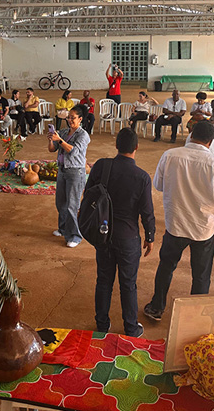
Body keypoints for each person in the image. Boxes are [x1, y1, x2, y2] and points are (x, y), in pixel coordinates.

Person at [143, 122, 214, 321]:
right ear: (210, 142)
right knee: (201, 274)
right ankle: (197, 316)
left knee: (166, 266)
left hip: (176, 224)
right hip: (203, 229)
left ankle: (157, 307)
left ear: (190, 135)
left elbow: (158, 184)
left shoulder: (170, 155)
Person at [86, 128, 155, 338]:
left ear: (116, 145)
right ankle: (131, 327)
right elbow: (147, 211)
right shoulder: (142, 177)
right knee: (128, 283)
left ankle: (102, 323)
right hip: (128, 238)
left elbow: (88, 193)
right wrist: (150, 236)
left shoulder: (101, 166)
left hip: (104, 233)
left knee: (104, 280)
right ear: (136, 147)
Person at [48, 104, 91, 248]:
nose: (70, 121)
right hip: (62, 170)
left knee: (72, 205)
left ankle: (75, 236)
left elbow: (73, 151)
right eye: (69, 118)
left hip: (75, 172)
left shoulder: (83, 135)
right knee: (61, 203)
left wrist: (59, 140)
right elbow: (52, 149)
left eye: (73, 118)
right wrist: (51, 139)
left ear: (80, 119)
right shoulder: (65, 132)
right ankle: (63, 228)